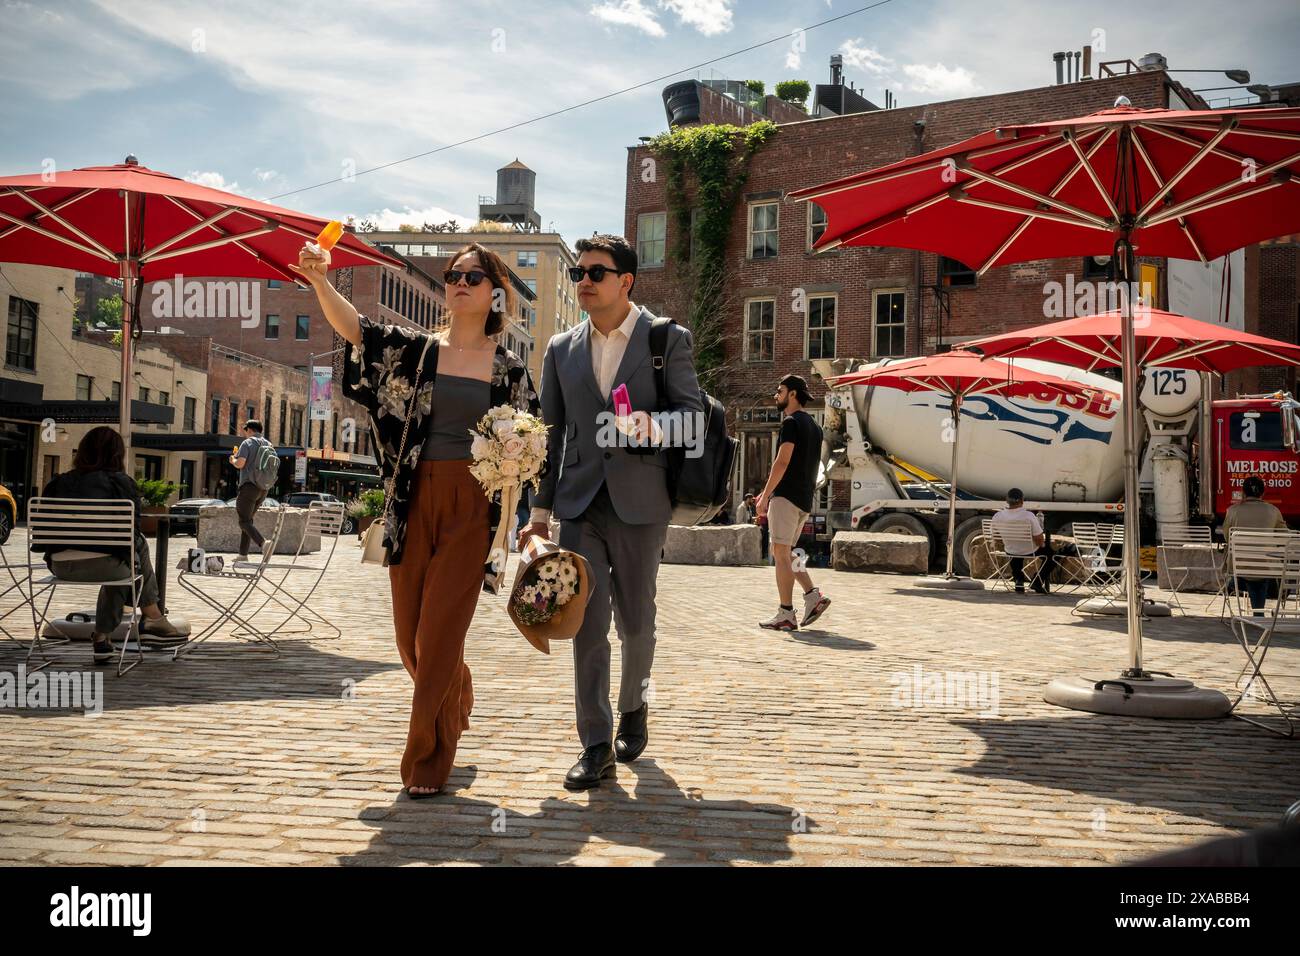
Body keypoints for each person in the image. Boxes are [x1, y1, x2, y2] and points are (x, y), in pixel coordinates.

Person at [292, 239, 540, 799]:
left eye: (472, 277)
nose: (459, 282)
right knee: (411, 639)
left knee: (438, 631)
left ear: (495, 293)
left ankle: (425, 760)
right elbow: (358, 331)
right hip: (411, 499)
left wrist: (524, 495)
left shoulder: (510, 369)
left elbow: (534, 441)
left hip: (473, 506)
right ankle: (455, 678)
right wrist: (319, 282)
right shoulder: (415, 352)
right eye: (453, 274)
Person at [519, 233, 702, 791]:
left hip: (642, 502)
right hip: (578, 503)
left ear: (626, 281)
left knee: (637, 622)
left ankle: (634, 708)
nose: (584, 282)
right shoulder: (559, 348)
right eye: (578, 273)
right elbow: (548, 434)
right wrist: (539, 510)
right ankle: (595, 743)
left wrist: (656, 426)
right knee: (585, 624)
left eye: (596, 272)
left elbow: (691, 416)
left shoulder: (665, 339)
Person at [36, 426, 186, 663]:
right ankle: (150, 618)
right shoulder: (120, 483)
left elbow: (42, 532)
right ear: (118, 454)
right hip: (107, 566)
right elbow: (132, 530)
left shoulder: (57, 484)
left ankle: (106, 639)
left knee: (126, 556)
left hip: (60, 565)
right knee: (130, 553)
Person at [755, 375, 831, 631]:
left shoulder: (790, 422)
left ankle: (786, 613)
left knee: (780, 554)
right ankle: (812, 596)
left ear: (794, 394)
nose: (777, 395)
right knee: (786, 552)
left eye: (781, 390)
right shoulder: (815, 426)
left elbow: (783, 461)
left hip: (786, 497)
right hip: (804, 500)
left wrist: (766, 495)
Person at [1225, 475, 1289, 614]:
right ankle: (1258, 613)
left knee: (1249, 571)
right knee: (1261, 569)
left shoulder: (1232, 511)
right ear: (1262, 493)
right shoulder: (1273, 511)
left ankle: (1233, 586)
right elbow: (1285, 538)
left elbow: (1227, 537)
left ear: (1243, 492)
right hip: (1265, 568)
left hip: (1239, 566)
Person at [990, 488, 1055, 594]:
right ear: (1022, 501)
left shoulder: (998, 516)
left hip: (1010, 550)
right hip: (1030, 550)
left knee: (1014, 550)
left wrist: (1009, 541)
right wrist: (1042, 545)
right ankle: (1037, 581)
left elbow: (996, 537)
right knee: (1051, 555)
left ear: (1007, 500)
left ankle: (1018, 580)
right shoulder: (1028, 516)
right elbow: (1038, 538)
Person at [229, 420, 276, 561]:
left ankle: (263, 543)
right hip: (263, 488)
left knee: (243, 522)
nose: (245, 434)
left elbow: (241, 463)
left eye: (245, 430)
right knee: (248, 521)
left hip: (249, 487)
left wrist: (233, 460)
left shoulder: (247, 443)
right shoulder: (269, 444)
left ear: (249, 429)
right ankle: (243, 555)